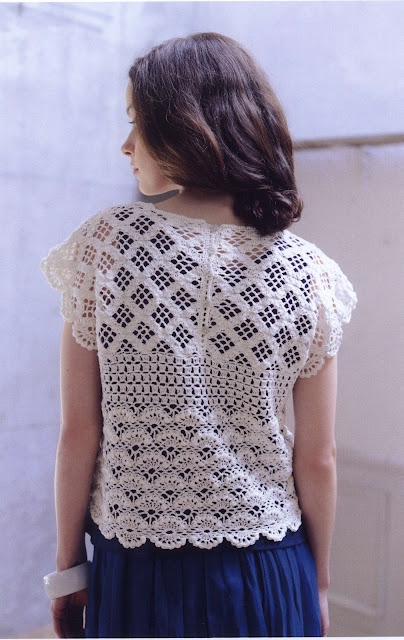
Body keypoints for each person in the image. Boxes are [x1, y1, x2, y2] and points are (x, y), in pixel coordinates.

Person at [40, 32, 358, 638]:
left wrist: (68, 568)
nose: (126, 145)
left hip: (140, 571)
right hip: (273, 570)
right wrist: (317, 586)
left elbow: (79, 431)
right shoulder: (313, 276)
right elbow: (319, 458)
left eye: (137, 123)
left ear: (184, 127)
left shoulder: (106, 247)